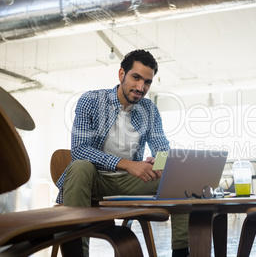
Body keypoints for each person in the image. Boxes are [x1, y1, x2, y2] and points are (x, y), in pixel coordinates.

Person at [55, 49, 189, 257]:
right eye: (136, 78)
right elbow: (80, 151)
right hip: (93, 180)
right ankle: (77, 254)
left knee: (178, 174)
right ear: (121, 75)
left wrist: (161, 162)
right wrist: (127, 164)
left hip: (130, 183)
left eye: (147, 82)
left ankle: (181, 252)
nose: (140, 87)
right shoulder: (91, 101)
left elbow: (162, 147)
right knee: (80, 165)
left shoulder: (149, 110)